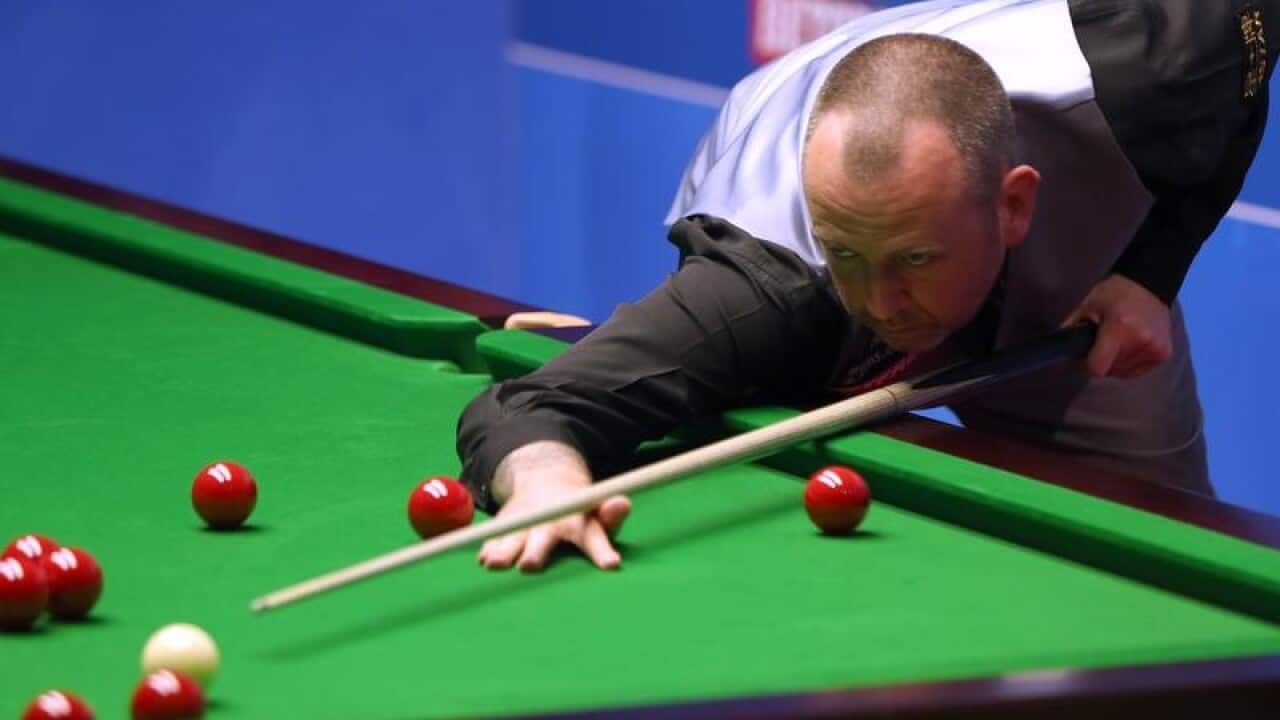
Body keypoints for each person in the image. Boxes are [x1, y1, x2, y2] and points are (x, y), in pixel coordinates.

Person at [456, 0, 1277, 572]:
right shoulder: (773, 288)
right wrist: (546, 484)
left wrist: (1149, 270)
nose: (881, 302)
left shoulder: (1161, 71)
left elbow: (1249, 57)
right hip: (788, 186)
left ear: (1015, 205)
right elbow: (528, 407)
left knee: (1167, 529)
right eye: (850, 252)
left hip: (1071, 270)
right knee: (757, 354)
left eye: (914, 260)